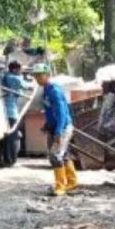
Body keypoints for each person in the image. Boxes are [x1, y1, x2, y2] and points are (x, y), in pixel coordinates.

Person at [31, 63, 78, 197]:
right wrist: (48, 124)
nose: (37, 78)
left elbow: (62, 113)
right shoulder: (46, 90)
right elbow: (50, 111)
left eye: (40, 75)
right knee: (64, 155)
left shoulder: (54, 91)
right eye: (36, 76)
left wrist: (58, 132)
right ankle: (72, 182)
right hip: (56, 126)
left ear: (47, 75)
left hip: (62, 127)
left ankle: (60, 186)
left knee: (55, 156)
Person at [0, 61, 27, 167]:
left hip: (2, 111)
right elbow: (26, 85)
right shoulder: (13, 78)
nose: (20, 72)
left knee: (3, 137)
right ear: (15, 69)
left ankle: (0, 159)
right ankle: (9, 160)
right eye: (20, 70)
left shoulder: (4, 77)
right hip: (11, 112)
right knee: (12, 137)